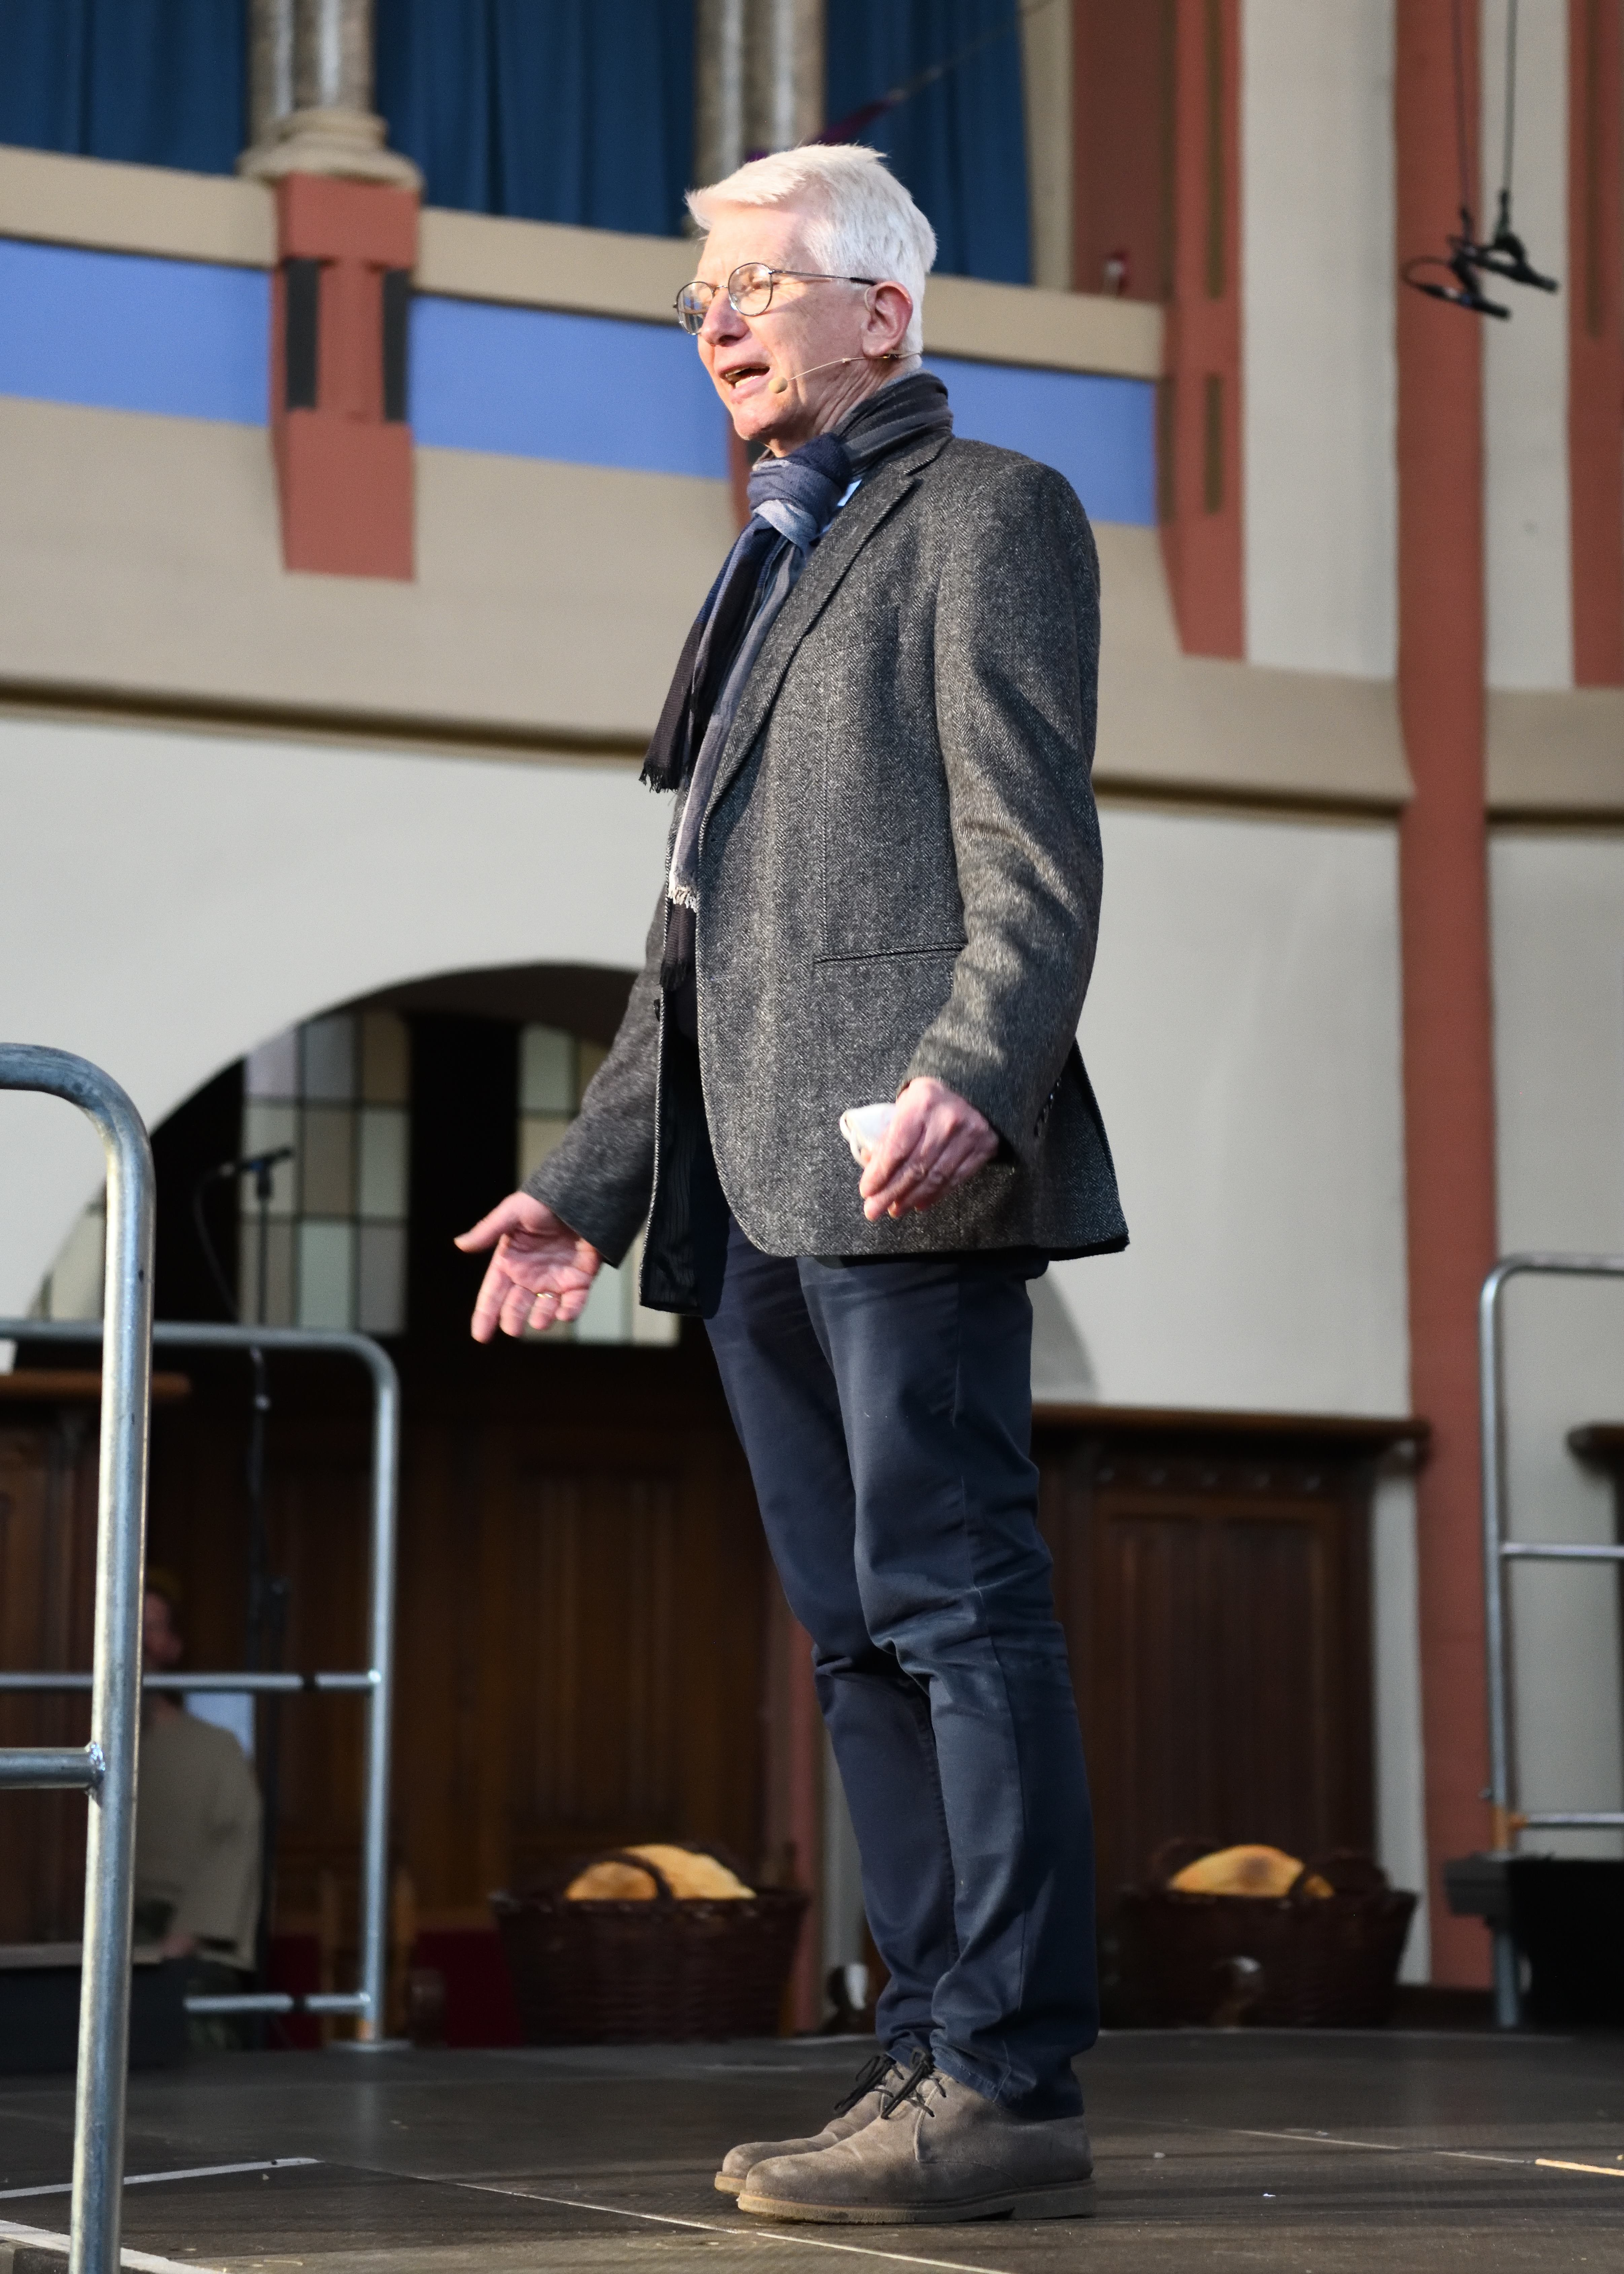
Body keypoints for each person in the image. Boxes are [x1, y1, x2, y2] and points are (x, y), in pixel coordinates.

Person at [457, 143, 1126, 2225]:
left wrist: (973, 1073)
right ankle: (926, 2046)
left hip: (897, 1154)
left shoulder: (987, 512)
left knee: (954, 1603)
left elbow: (1032, 846)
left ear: (882, 313)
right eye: (701, 299)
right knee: (855, 1638)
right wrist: (588, 1181)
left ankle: (1005, 2071)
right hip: (746, 1187)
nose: (718, 323)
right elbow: (694, 933)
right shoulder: (772, 550)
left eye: (756, 285)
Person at [134, 1570, 261, 2047]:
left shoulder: (217, 1750)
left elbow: (235, 1846)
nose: (140, 1642)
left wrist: (178, 1945)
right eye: (130, 1626)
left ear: (173, 1646)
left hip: (185, 1948)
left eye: (152, 1627)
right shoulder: (76, 1747)